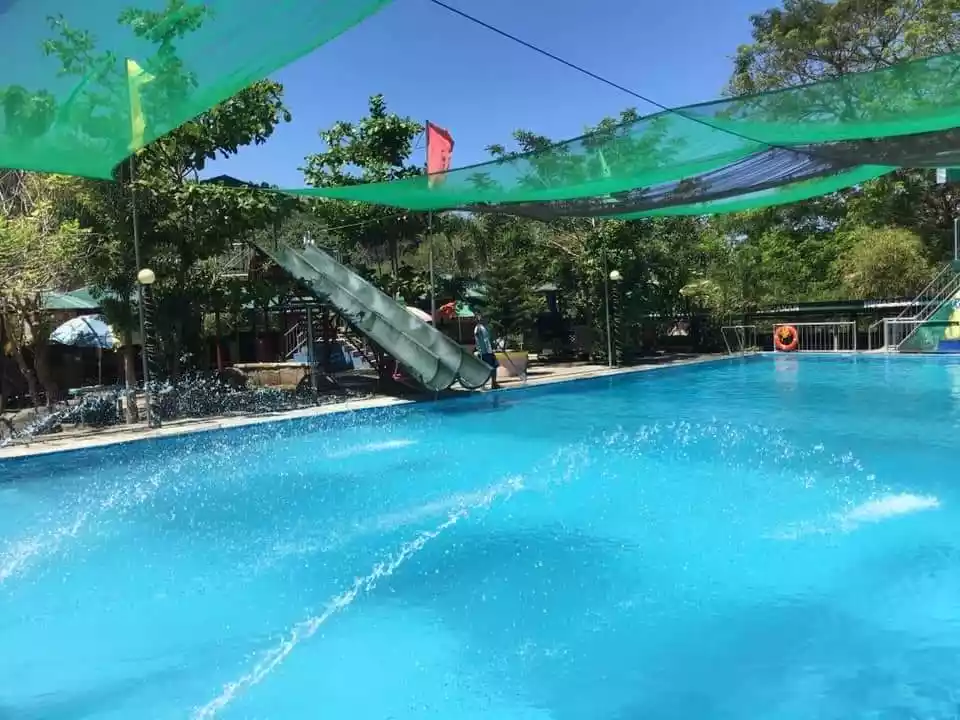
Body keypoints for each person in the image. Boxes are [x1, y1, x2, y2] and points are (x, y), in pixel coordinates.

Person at [473, 313, 500, 389]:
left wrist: (494, 343)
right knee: (485, 369)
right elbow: (478, 339)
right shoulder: (478, 328)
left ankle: (494, 383)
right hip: (484, 352)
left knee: (494, 366)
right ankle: (483, 385)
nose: (488, 320)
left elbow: (488, 339)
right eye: (486, 318)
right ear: (482, 319)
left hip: (489, 351)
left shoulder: (485, 327)